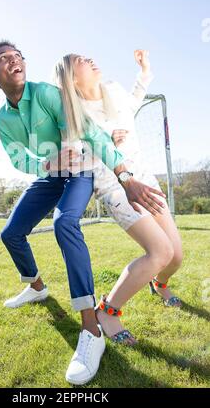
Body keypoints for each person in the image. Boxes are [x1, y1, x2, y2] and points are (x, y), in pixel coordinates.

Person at [0, 41, 165, 384]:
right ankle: (36, 287)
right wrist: (45, 163)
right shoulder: (3, 118)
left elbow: (89, 131)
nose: (14, 60)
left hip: (79, 170)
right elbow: (16, 157)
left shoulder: (47, 94)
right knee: (10, 233)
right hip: (51, 174)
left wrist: (124, 176)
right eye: (4, 59)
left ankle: (91, 328)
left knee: (65, 222)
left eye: (18, 55)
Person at [52, 49, 183, 346]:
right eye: (81, 62)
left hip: (144, 179)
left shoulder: (112, 90)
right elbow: (76, 158)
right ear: (72, 78)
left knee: (175, 256)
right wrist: (106, 143)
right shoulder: (74, 115)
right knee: (159, 252)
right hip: (115, 187)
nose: (90, 60)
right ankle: (108, 310)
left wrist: (144, 71)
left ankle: (159, 282)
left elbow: (133, 103)